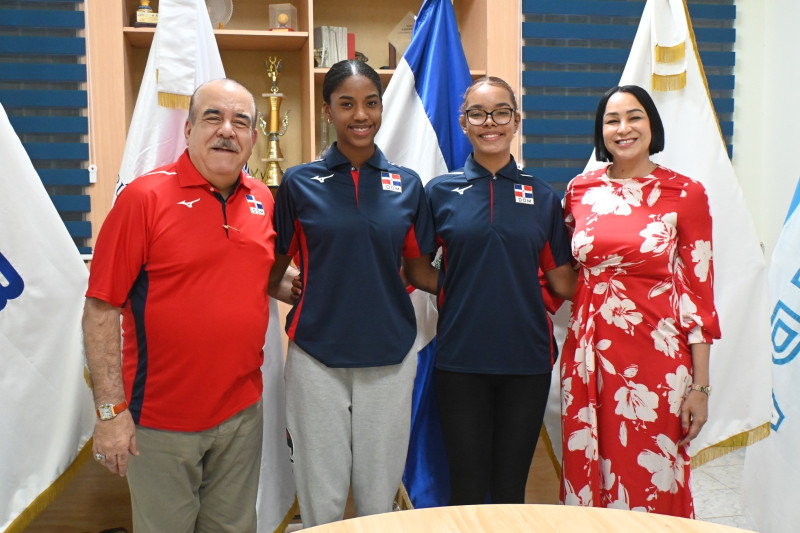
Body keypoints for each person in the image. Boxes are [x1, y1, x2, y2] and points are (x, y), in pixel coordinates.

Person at [84, 78, 297, 532]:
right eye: (213, 117)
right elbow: (101, 310)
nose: (227, 130)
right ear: (188, 128)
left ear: (255, 138)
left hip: (241, 417)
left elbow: (266, 278)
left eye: (241, 121)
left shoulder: (262, 199)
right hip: (159, 423)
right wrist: (110, 414)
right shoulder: (144, 199)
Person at [268, 60, 437, 527]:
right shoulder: (299, 183)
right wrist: (293, 288)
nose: (360, 115)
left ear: (382, 107)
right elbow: (271, 268)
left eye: (370, 103)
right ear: (328, 112)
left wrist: (490, 288)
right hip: (316, 358)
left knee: (377, 502)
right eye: (346, 104)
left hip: (390, 356)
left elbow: (420, 271)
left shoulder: (407, 185)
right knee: (321, 502)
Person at [560, 85, 721, 517]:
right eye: (611, 120)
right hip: (588, 354)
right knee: (588, 471)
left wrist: (701, 387)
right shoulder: (580, 190)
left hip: (656, 359)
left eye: (634, 117)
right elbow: (559, 271)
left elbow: (699, 296)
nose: (623, 128)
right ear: (601, 131)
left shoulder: (685, 193)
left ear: (652, 125)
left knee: (651, 475)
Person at [422, 76, 576, 505]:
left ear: (516, 121)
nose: (490, 122)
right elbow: (416, 267)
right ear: (464, 123)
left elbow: (563, 280)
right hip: (460, 360)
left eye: (501, 112)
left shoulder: (543, 197)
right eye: (477, 113)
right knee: (467, 487)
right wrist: (459, 285)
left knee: (511, 488)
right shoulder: (439, 193)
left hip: (526, 361)